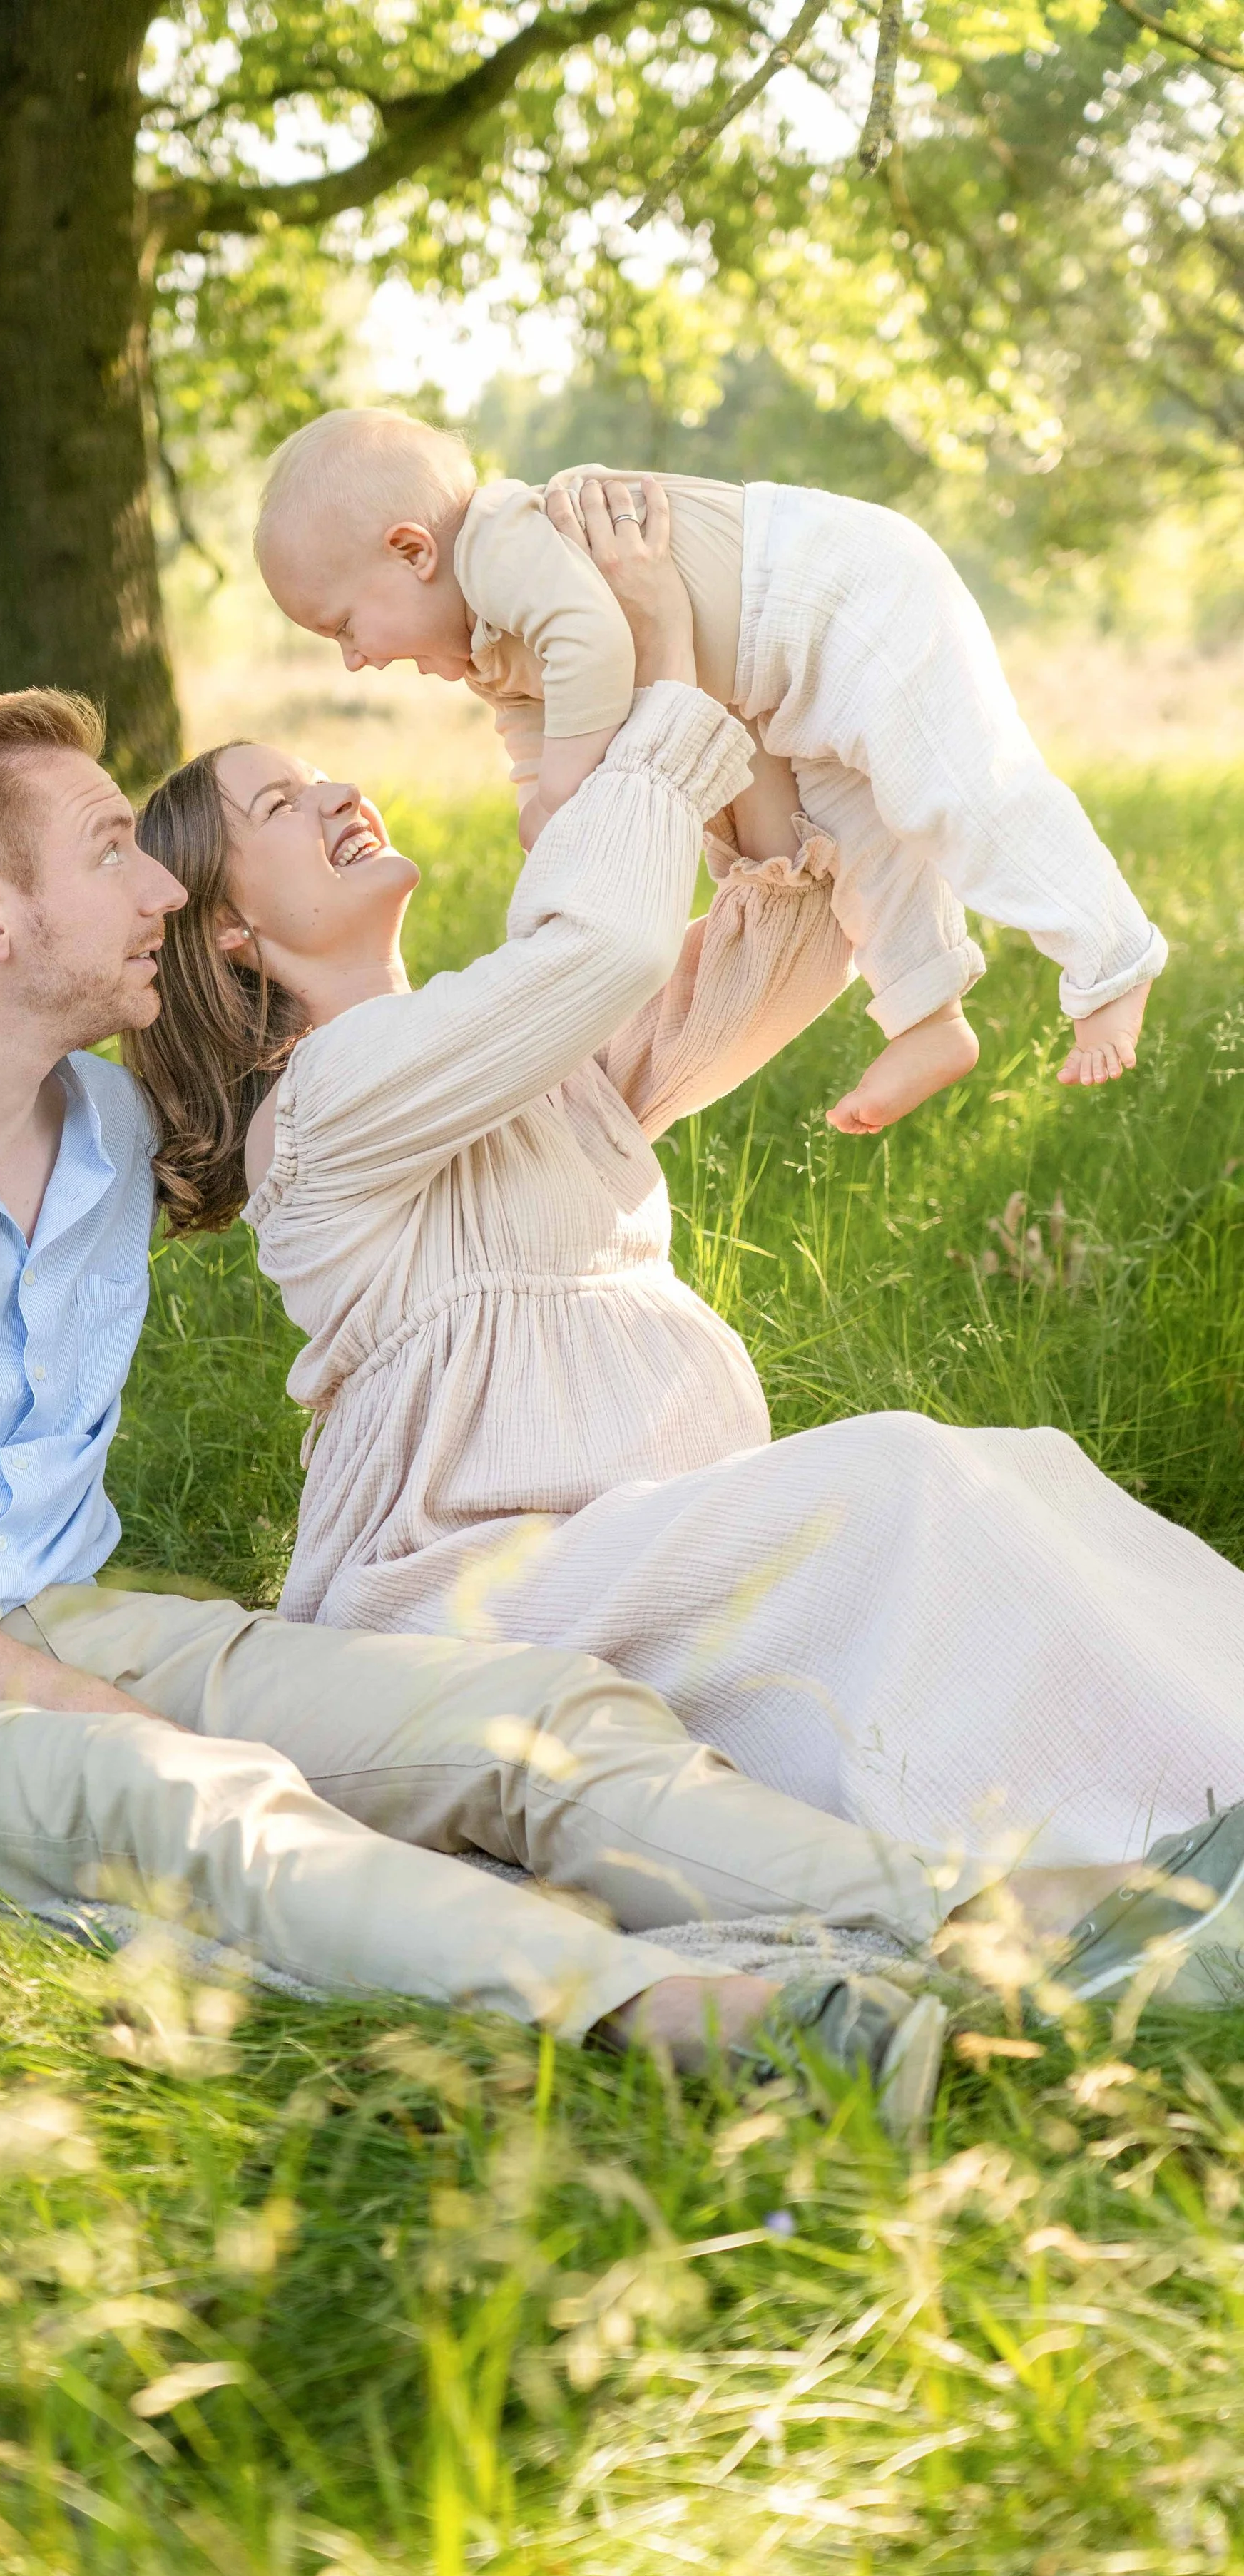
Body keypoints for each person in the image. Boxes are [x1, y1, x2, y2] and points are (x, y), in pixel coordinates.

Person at [0, 685, 1016, 2115]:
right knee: (182, 1796)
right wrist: (77, 1708)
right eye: (110, 852)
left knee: (534, 1717)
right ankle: (713, 2022)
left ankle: (989, 1927)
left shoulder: (107, 1134)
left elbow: (380, 1106)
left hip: (67, 1618)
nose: (163, 889)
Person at [128, 474, 1244, 1904]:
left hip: (644, 1538)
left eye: (318, 773)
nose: (340, 791)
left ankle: (1196, 1776)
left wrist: (681, 638)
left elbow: (785, 952)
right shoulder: (324, 1106)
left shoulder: (503, 1049)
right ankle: (1153, 1832)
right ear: (229, 933)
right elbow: (595, 951)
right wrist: (654, 686)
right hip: (481, 1588)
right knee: (899, 1481)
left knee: (1011, 1470)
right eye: (281, 804)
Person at [253, 406, 1166, 1133]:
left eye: (344, 627)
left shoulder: (500, 544)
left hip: (836, 597)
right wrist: (545, 814)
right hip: (781, 684)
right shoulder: (485, 646)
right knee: (863, 846)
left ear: (413, 551)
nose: (354, 661)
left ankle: (1112, 959)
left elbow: (589, 641)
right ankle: (929, 1019)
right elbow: (535, 731)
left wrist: (565, 785)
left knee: (957, 792)